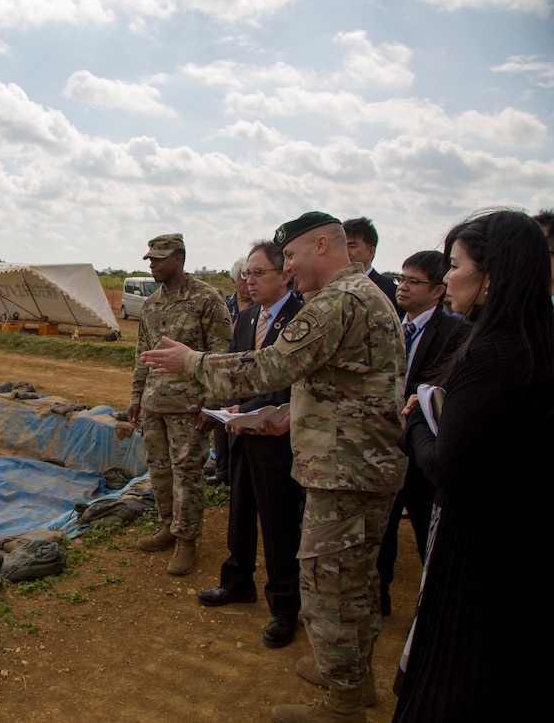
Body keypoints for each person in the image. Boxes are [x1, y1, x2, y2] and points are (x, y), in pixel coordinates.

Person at [141, 211, 406, 722]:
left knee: (331, 587)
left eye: (291, 256)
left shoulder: (336, 303)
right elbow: (340, 385)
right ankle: (354, 676)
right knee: (357, 582)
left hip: (343, 471)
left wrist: (191, 362)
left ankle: (342, 705)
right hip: (360, 463)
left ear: (322, 246)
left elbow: (272, 365)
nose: (288, 268)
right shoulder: (366, 297)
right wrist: (290, 412)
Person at [392, 210, 554, 721]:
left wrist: (414, 421)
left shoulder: (495, 355)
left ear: (492, 274)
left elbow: (449, 465)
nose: (446, 279)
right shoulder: (535, 339)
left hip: (477, 550)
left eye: (455, 265)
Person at [196, 241, 305, 650]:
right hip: (241, 432)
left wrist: (248, 408)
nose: (248, 281)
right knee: (239, 513)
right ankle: (237, 582)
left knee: (278, 524)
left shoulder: (301, 320)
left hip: (276, 435)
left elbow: (286, 380)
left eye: (259, 273)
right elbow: (237, 373)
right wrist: (224, 410)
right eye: (247, 274)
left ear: (285, 275)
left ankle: (284, 606)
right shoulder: (247, 317)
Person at [128, 233, 232, 576]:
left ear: (180, 258)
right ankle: (167, 527)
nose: (153, 264)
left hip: (189, 407)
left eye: (160, 258)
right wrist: (136, 398)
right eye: (150, 258)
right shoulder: (151, 303)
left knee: (187, 473)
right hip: (155, 404)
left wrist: (212, 404)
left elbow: (220, 355)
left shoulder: (207, 299)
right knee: (158, 468)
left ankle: (187, 540)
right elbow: (143, 355)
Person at [375, 251, 469, 617]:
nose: (403, 287)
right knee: (383, 532)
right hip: (387, 447)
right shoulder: (393, 323)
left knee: (427, 534)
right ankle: (377, 599)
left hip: (424, 448)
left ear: (438, 290)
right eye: (401, 279)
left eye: (414, 281)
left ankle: (433, 609)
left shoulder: (456, 332)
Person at [211, 256, 254, 486]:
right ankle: (222, 471)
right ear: (233, 281)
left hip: (249, 372)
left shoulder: (259, 308)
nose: (248, 284)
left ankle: (239, 471)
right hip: (225, 371)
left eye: (251, 278)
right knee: (222, 421)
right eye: (243, 279)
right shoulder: (225, 305)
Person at [344, 217, 401, 316]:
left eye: (352, 246)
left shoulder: (388, 288)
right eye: (342, 246)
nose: (345, 252)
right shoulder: (330, 285)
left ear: (371, 252)